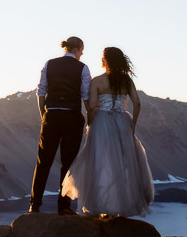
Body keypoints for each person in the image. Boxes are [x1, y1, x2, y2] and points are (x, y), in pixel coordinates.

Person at [61, 46, 154, 217]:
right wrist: (132, 124)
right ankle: (122, 205)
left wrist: (90, 125)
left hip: (101, 123)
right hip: (122, 122)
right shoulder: (126, 80)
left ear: (105, 61)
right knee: (124, 164)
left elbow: (91, 108)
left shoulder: (97, 81)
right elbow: (137, 103)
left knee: (101, 164)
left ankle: (102, 205)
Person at [29, 35, 92, 214]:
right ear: (78, 49)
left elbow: (41, 92)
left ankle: (35, 205)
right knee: (68, 163)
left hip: (52, 115)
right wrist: (89, 118)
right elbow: (86, 96)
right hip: (72, 116)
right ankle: (63, 207)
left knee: (43, 161)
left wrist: (44, 115)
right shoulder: (83, 68)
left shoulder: (50, 64)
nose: (81, 55)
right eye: (81, 51)